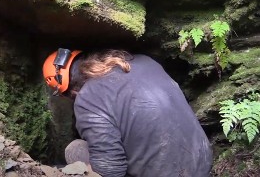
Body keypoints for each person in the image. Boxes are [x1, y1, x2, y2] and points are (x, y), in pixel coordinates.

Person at [42, 48, 213, 177]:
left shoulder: (88, 98)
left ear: (67, 90)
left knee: (75, 149)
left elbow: (110, 169)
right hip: (203, 164)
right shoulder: (145, 61)